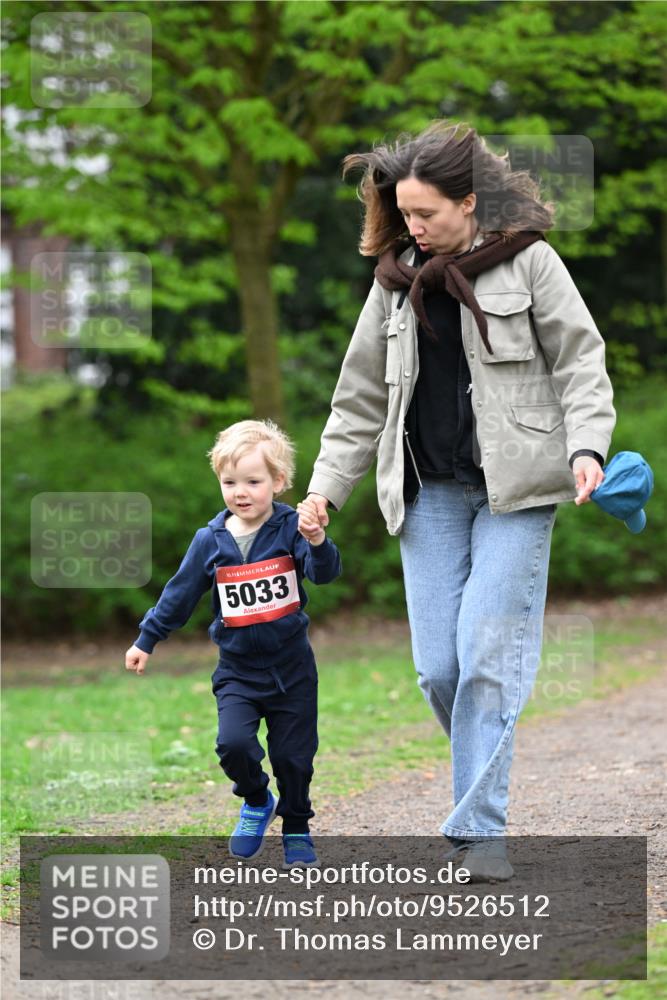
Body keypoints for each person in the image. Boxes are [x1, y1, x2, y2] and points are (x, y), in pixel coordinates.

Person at [298, 121, 615, 881]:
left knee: (485, 661)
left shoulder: (531, 262)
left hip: (516, 492)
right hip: (426, 494)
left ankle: (479, 832)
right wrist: (322, 491)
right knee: (441, 669)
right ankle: (486, 744)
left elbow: (580, 362)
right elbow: (358, 399)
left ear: (468, 203)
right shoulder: (393, 283)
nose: (411, 227)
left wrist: (586, 447)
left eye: (424, 214)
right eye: (403, 214)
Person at [125, 419, 341, 869]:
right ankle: (257, 800)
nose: (240, 491)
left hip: (292, 668)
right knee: (233, 744)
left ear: (279, 482)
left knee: (293, 757)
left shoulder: (290, 529)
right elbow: (179, 594)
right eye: (229, 482)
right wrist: (148, 638)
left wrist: (317, 540)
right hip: (238, 670)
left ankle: (297, 826)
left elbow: (323, 573)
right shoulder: (211, 540)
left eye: (253, 481)